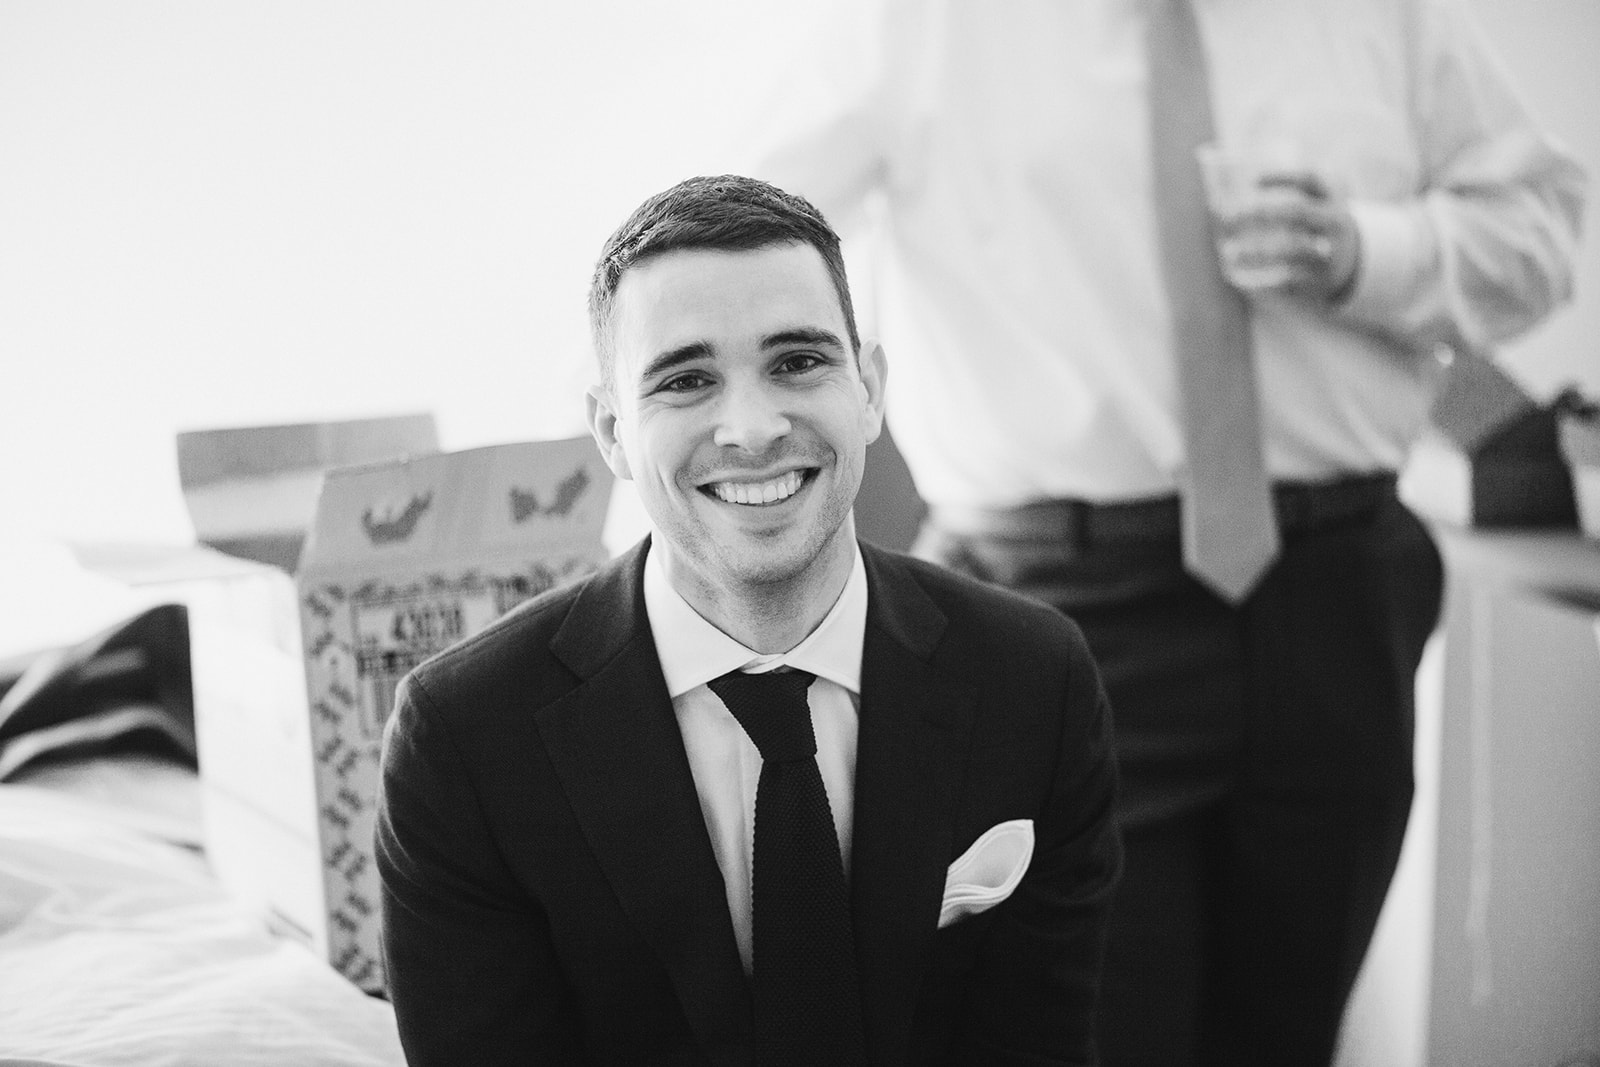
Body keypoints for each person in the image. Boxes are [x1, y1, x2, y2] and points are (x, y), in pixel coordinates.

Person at [752, 2, 1587, 1064]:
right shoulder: (910, 25)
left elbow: (1543, 228)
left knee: (1287, 1029)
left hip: (1338, 598)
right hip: (1056, 608)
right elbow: (720, 251)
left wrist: (1367, 253)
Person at [375, 174, 1122, 1065]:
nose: (753, 427)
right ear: (612, 430)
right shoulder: (464, 740)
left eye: (797, 361)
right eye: (687, 380)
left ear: (870, 387)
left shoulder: (1036, 679)